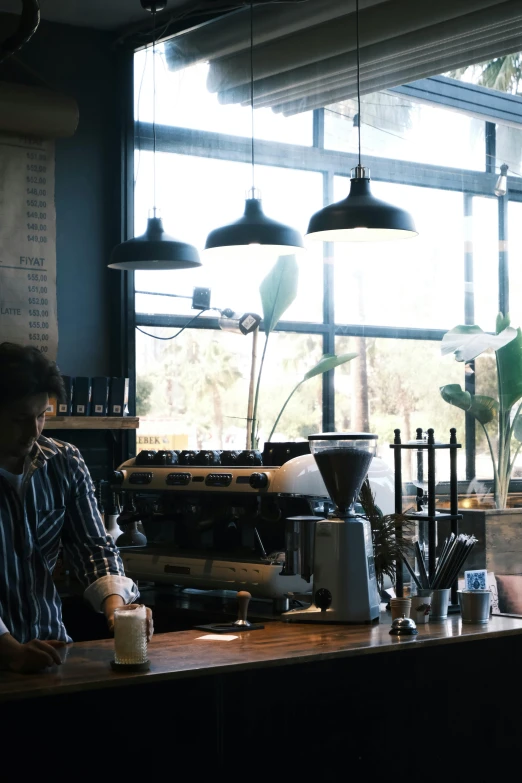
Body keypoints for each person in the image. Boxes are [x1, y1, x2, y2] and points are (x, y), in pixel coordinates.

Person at [0, 342, 152, 674]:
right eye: (19, 419)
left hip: (53, 652)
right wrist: (10, 650)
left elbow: (92, 547)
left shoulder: (64, 461)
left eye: (41, 416)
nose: (33, 431)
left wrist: (118, 609)